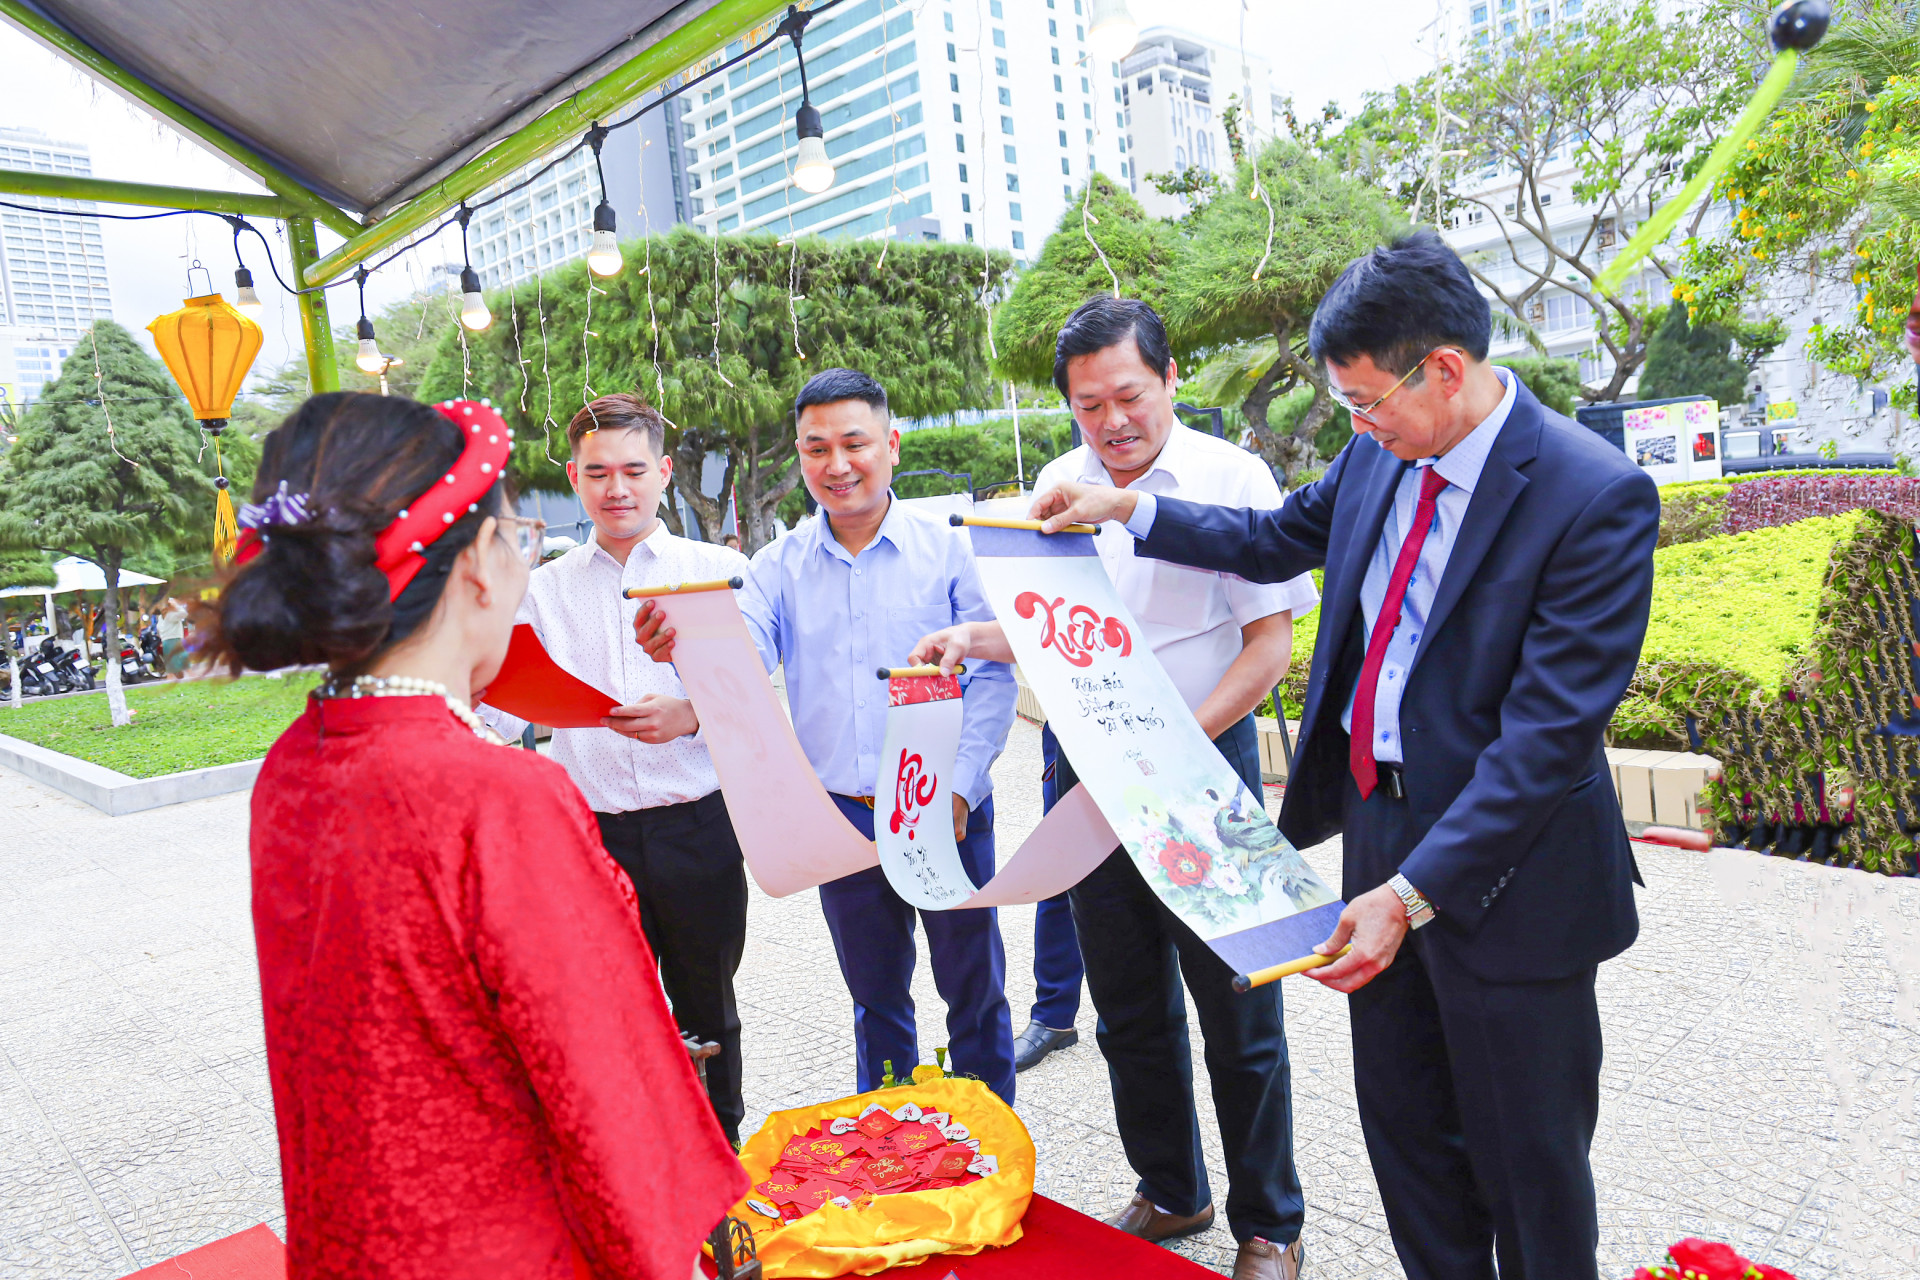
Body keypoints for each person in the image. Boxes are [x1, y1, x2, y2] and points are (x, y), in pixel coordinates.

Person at [1030, 231, 1658, 1280]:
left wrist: (1414, 894)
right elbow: (1272, 537)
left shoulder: (1591, 495)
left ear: (1445, 369)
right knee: (1409, 1139)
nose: (1358, 424)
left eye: (1369, 400)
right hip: (1383, 831)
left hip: (1513, 866)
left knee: (1530, 1162)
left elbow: (1545, 740)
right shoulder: (1379, 453)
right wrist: (1127, 507)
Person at [201, 391, 745, 1279]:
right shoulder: (501, 798)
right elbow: (604, 1099)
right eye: (515, 536)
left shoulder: (292, 767)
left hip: (352, 1231)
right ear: (479, 569)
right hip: (495, 1237)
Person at [910, 298, 1318, 1280]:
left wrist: (1178, 742)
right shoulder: (1055, 485)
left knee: (1239, 1005)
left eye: (1128, 395)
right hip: (1084, 775)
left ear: (1171, 378)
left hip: (1201, 772)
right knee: (1128, 1003)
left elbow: (1271, 644)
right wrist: (974, 638)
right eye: (1089, 405)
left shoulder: (1233, 478)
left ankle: (1272, 1221)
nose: (1112, 421)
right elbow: (1052, 627)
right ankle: (1173, 1188)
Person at [634, 367, 1020, 1102]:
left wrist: (963, 790)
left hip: (944, 804)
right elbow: (740, 664)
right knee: (876, 1001)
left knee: (974, 991)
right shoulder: (777, 568)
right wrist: (682, 650)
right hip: (839, 814)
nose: (836, 466)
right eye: (816, 449)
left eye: (854, 443)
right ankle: (893, 1150)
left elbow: (995, 676)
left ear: (892, 444)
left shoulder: (951, 549)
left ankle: (995, 1157)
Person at [480, 394, 753, 1145]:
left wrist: (692, 711)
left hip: (699, 825)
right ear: (573, 478)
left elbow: (762, 698)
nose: (617, 488)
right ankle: (636, 1158)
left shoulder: (720, 571)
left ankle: (720, 1153)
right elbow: (501, 711)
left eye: (634, 469)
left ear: (665, 471)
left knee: (708, 1004)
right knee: (607, 1008)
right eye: (597, 473)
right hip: (591, 836)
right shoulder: (543, 589)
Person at [157, 596, 189, 676]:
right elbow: (184, 613)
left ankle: (178, 678)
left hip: (167, 641)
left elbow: (160, 630)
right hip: (173, 640)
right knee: (179, 664)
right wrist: (176, 605)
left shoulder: (162, 617)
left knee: (173, 665)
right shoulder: (170, 616)